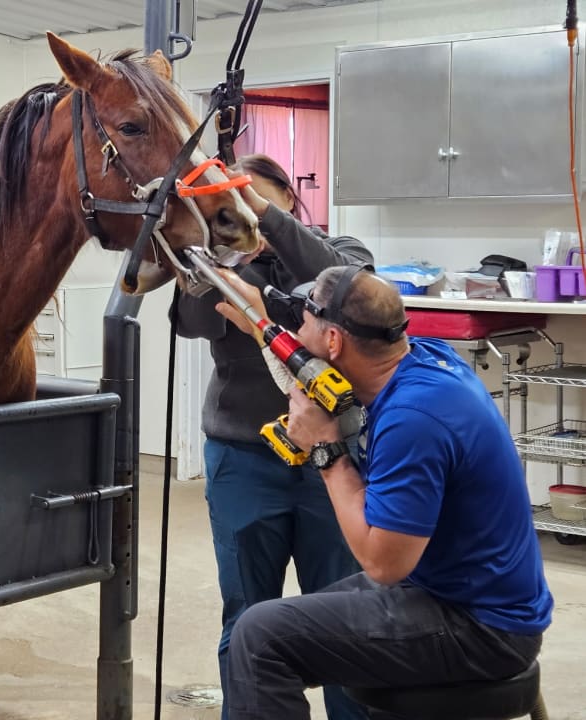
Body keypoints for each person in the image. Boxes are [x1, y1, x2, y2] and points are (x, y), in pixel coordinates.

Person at [213, 265, 553, 720]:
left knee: (260, 637)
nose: (298, 328)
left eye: (306, 318)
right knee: (288, 622)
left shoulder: (414, 418)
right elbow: (308, 374)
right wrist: (260, 323)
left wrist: (326, 451)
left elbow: (384, 564)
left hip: (482, 627)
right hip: (459, 591)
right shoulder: (423, 361)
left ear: (334, 341)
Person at [173, 154, 373, 720]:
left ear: (288, 196)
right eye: (229, 208)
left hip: (333, 465)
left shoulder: (343, 254)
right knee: (246, 617)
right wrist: (211, 263)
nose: (242, 216)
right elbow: (193, 322)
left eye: (254, 200)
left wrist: (267, 226)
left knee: (346, 614)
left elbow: (349, 294)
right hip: (243, 460)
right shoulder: (222, 268)